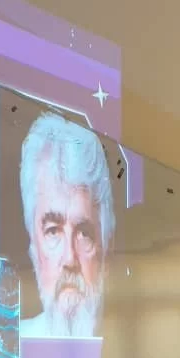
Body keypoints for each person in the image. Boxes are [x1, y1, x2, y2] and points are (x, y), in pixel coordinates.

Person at [17, 111, 115, 338]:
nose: (70, 258)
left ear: (107, 251)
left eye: (84, 233)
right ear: (34, 247)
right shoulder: (9, 348)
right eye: (53, 231)